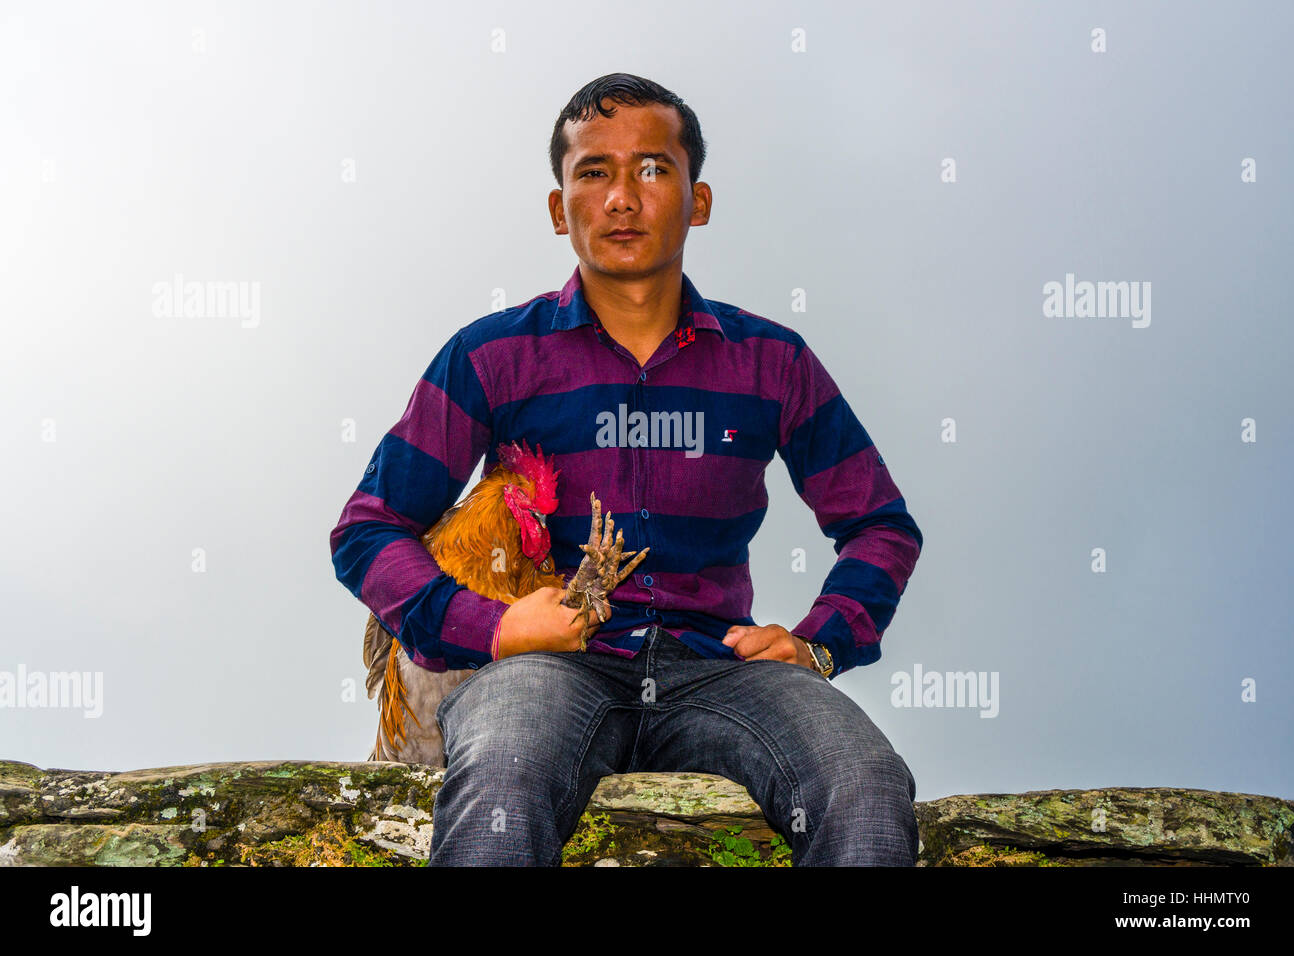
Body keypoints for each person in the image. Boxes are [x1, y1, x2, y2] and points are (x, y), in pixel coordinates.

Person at [329, 73, 924, 866]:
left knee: (866, 780)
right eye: (593, 172)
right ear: (557, 209)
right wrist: (495, 627)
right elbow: (367, 530)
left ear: (698, 199)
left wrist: (819, 645)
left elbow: (881, 525)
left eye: (651, 168)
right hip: (550, 673)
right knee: (502, 773)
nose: (622, 197)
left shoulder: (772, 361)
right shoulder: (491, 356)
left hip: (720, 672)